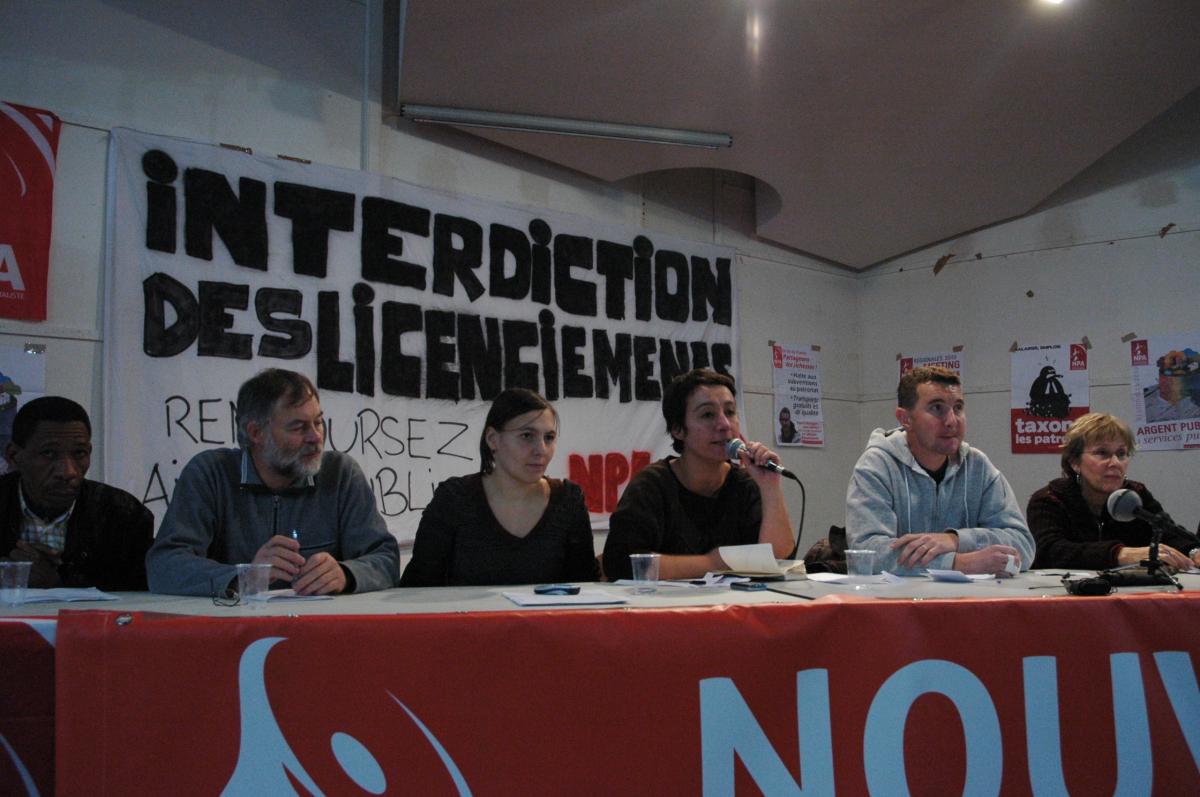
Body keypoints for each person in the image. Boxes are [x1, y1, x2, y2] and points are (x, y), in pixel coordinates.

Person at [146, 369, 399, 596]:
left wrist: (347, 574)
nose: (316, 437)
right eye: (298, 427)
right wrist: (244, 577)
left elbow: (386, 558)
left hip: (321, 628)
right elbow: (165, 564)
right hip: (231, 629)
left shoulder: (341, 474)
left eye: (318, 422)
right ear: (256, 433)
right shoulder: (210, 474)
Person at [602, 368, 795, 581]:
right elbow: (622, 564)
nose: (724, 425)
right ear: (678, 429)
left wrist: (770, 486)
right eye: (708, 414)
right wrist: (712, 564)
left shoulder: (746, 484)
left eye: (730, 412)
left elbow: (779, 559)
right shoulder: (651, 485)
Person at [845, 366, 1034, 575]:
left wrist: (956, 540)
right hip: (898, 596)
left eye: (958, 407)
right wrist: (959, 564)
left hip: (970, 596)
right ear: (905, 419)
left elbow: (1024, 545)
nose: (952, 421)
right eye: (937, 408)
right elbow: (867, 554)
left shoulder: (978, 466)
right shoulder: (876, 466)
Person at [400, 389, 598, 586]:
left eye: (549, 437)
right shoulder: (454, 498)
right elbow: (416, 587)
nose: (541, 450)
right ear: (492, 439)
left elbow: (588, 589)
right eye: (527, 436)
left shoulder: (568, 500)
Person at [1, 396, 152, 590]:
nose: (68, 472)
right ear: (14, 456)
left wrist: (59, 583)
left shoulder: (124, 515)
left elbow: (140, 593)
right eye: (49, 453)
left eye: (79, 453)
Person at [1027, 412, 1199, 571]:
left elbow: (1170, 535)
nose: (1115, 462)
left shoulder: (1136, 495)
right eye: (1102, 453)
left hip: (1131, 590)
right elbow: (1049, 551)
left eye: (1121, 453)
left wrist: (1194, 552)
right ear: (1075, 463)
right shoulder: (1049, 499)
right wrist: (1119, 554)